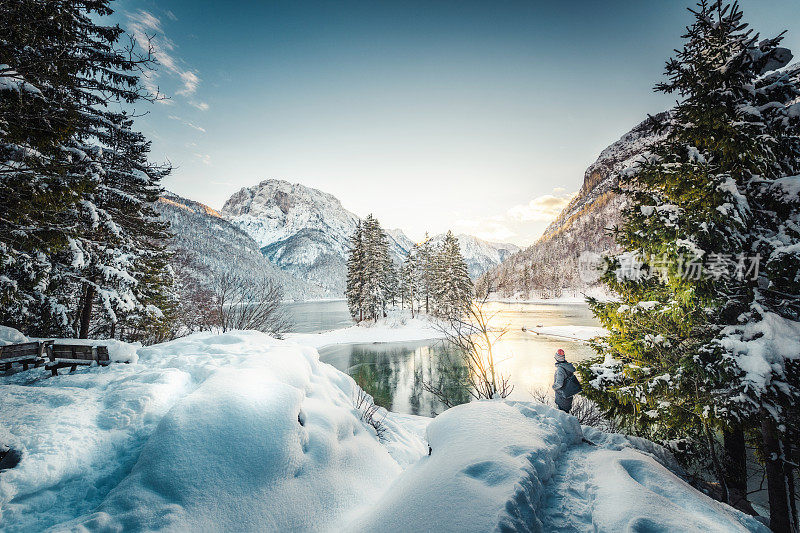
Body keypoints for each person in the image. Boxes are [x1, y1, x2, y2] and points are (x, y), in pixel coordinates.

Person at [552, 348, 577, 413]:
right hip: (568, 395)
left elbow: (559, 384)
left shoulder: (560, 369)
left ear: (557, 358)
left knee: (562, 415)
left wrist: (553, 387)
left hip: (562, 397)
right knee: (566, 414)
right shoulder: (568, 366)